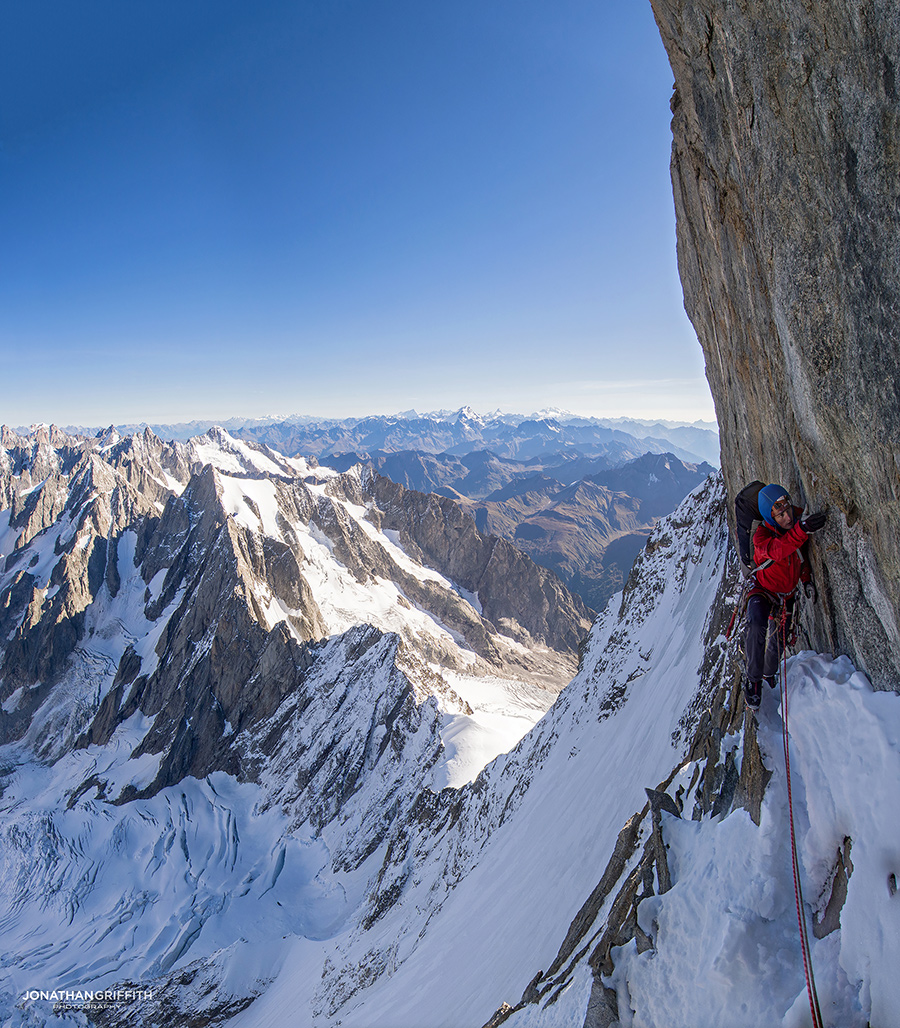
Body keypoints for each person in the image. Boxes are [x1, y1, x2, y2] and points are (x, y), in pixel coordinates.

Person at [743, 484, 827, 711]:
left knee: (779, 640)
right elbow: (779, 550)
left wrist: (807, 579)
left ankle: (769, 675)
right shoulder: (761, 537)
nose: (788, 517)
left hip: (786, 594)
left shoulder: (797, 522)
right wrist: (802, 529)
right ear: (770, 517)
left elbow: (799, 556)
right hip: (764, 589)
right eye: (780, 515)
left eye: (788, 511)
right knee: (757, 624)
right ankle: (753, 680)